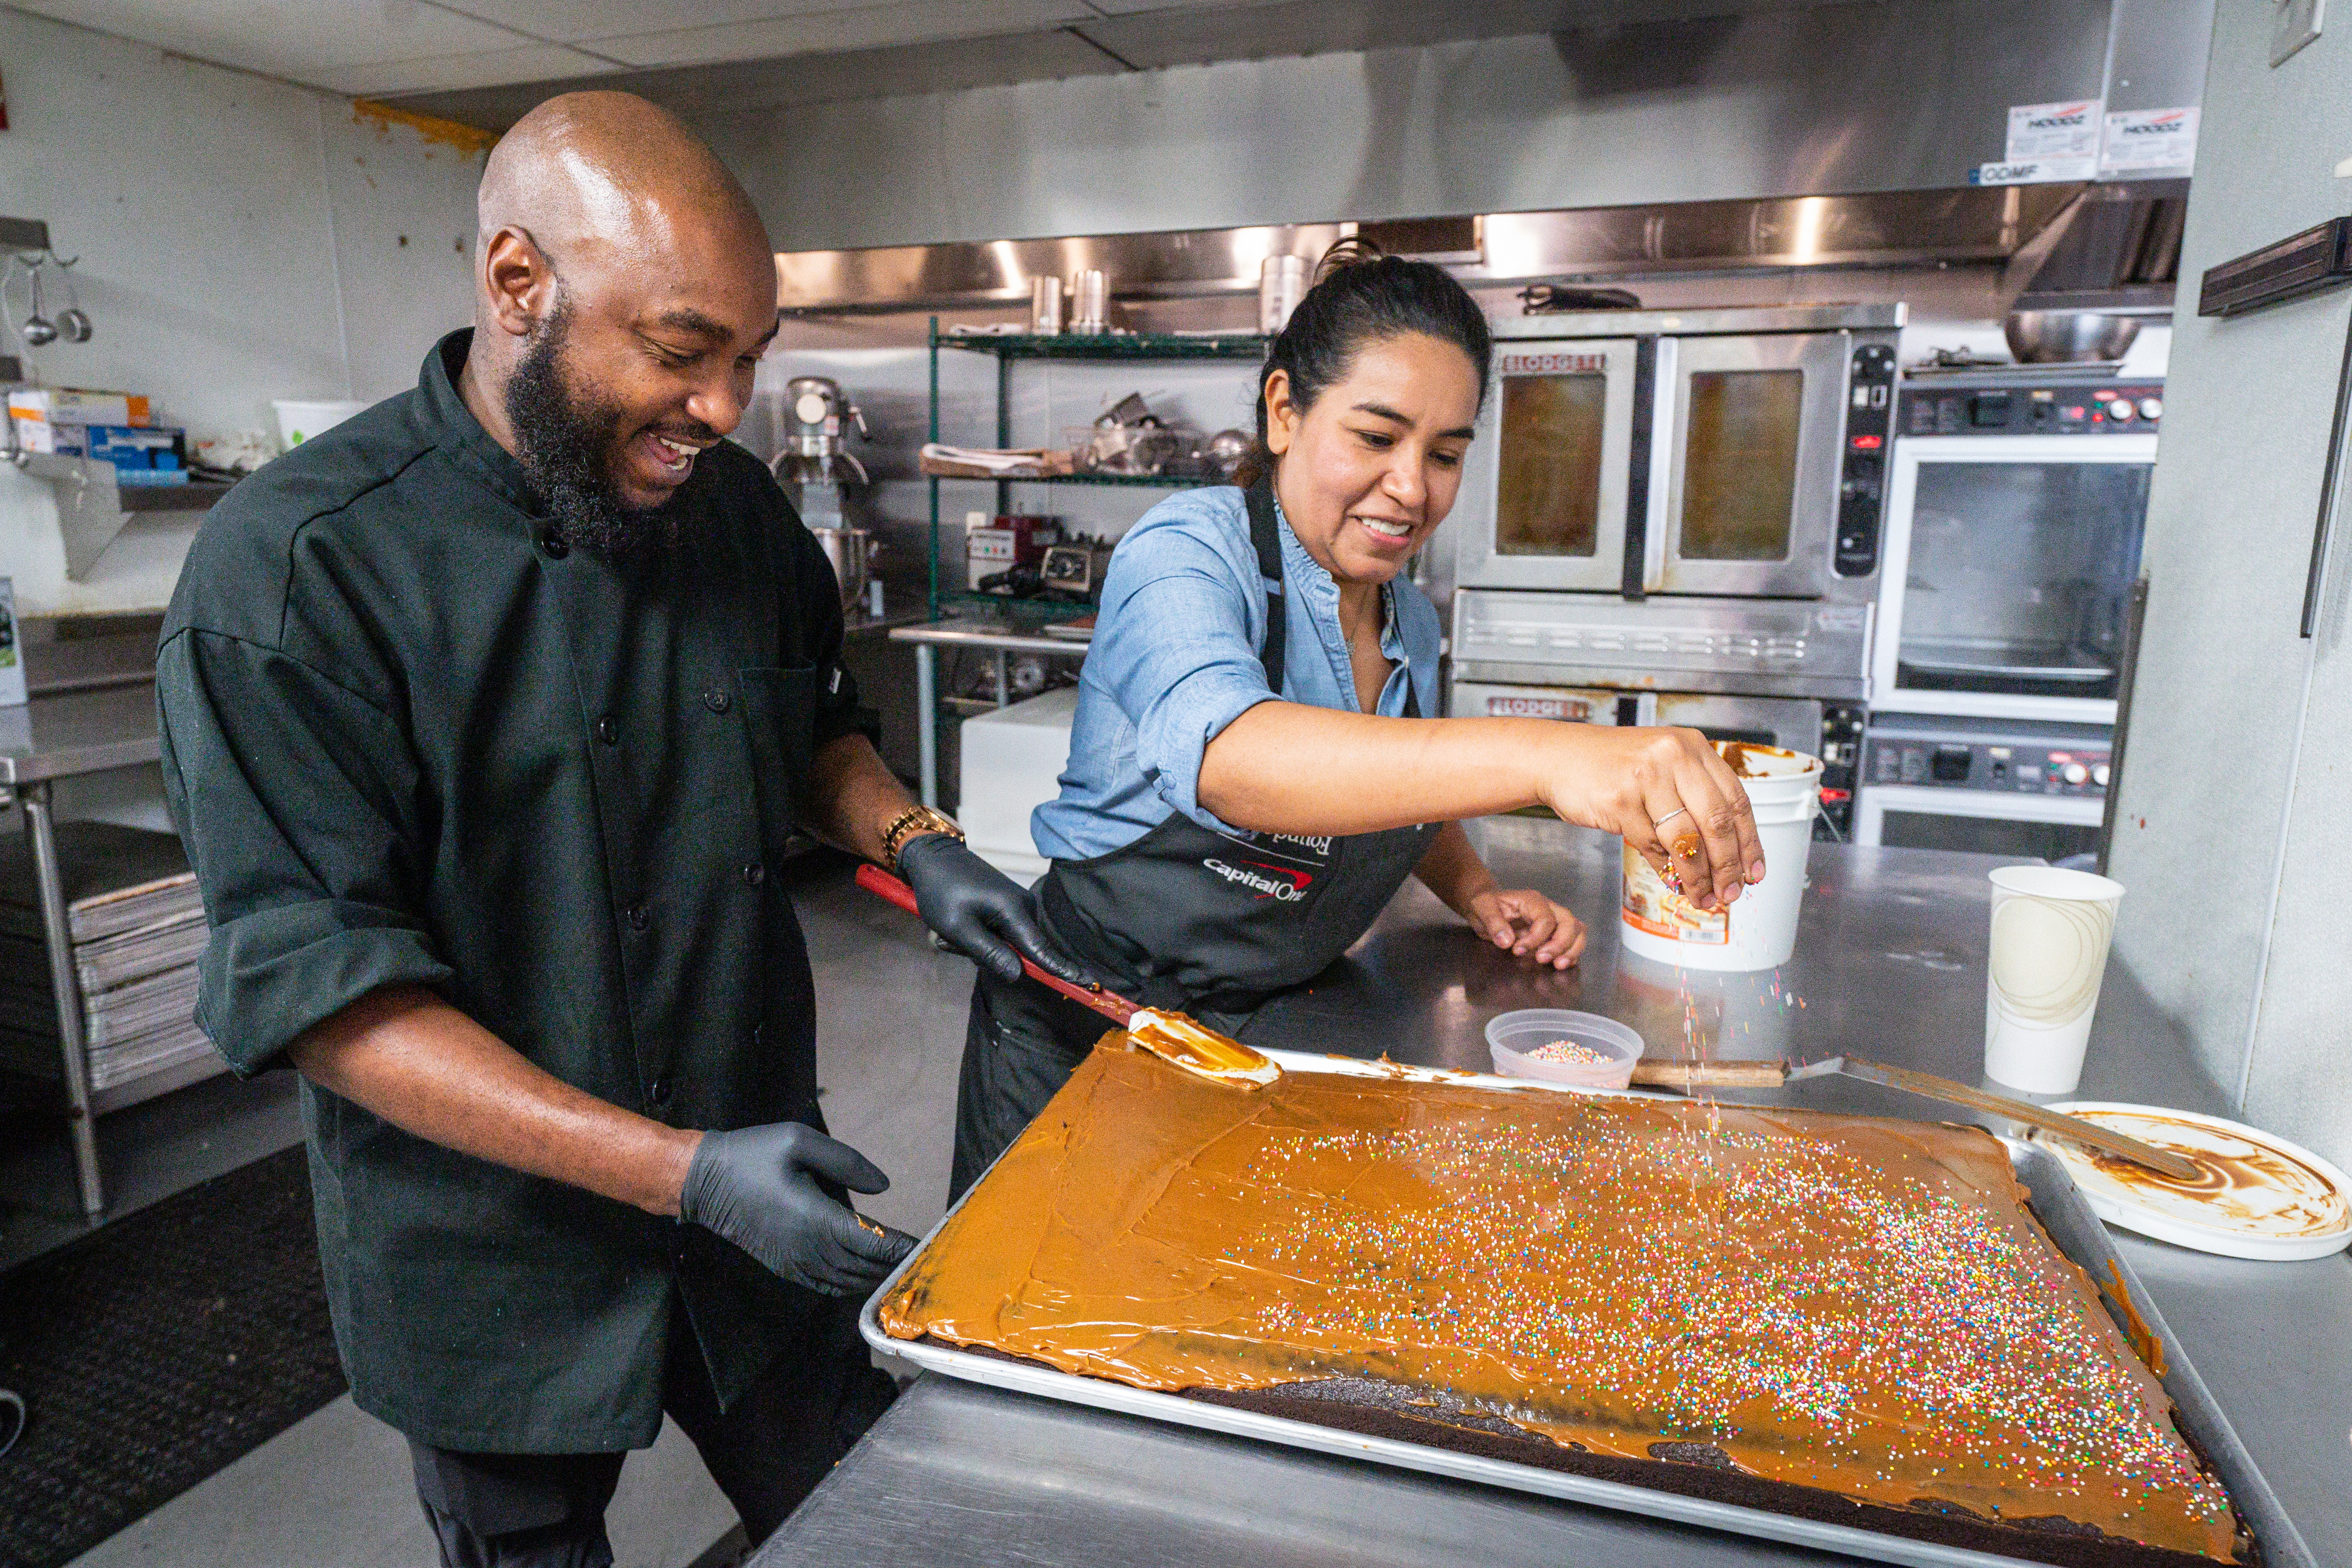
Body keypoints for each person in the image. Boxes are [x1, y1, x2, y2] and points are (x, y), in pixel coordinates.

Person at [157, 92, 1081, 1568]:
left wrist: (912, 839)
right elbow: (330, 1004)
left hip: (763, 1221)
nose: (724, 407)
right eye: (678, 352)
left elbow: (808, 730)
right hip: (492, 1276)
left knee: (887, 1525)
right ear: (518, 286)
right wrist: (682, 1172)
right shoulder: (295, 579)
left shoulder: (734, 520)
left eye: (748, 360)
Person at [952, 244, 1767, 1197]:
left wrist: (1472, 889)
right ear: (1285, 411)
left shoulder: (1406, 615)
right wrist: (1552, 756)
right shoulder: (1189, 552)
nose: (1414, 488)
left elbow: (1395, 784)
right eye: (1377, 438)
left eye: (1447, 453)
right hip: (1091, 1031)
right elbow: (1234, 759)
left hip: (1279, 1028)